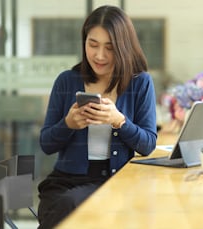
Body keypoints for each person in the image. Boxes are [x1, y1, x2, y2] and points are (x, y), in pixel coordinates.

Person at [37, 5, 157, 229]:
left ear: (123, 48)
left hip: (112, 183)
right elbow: (46, 144)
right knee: (65, 204)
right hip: (64, 182)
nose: (99, 55)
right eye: (93, 44)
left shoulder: (140, 83)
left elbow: (148, 144)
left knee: (70, 206)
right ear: (84, 42)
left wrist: (119, 121)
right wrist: (68, 124)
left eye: (109, 48)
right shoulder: (66, 80)